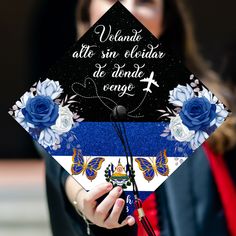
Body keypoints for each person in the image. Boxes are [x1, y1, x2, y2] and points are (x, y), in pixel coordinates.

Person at [42, 0, 236, 235]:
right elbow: (64, 172)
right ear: (87, 15)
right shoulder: (58, 107)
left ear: (165, 19)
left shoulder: (208, 103)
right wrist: (85, 200)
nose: (128, 10)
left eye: (145, 1)